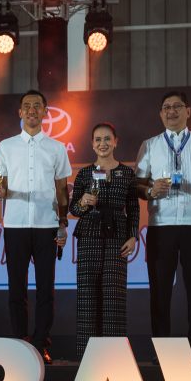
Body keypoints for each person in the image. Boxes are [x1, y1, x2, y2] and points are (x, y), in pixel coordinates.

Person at [0, 90, 72, 364]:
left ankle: (41, 343)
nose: (32, 110)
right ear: (20, 112)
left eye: (38, 105)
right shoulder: (6, 146)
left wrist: (63, 223)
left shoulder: (57, 148)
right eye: (27, 106)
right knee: (17, 288)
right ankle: (19, 343)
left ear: (46, 111)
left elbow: (62, 190)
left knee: (46, 289)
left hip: (47, 225)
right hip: (15, 225)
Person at [134, 91, 191, 339]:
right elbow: (137, 186)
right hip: (161, 226)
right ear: (160, 113)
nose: (171, 111)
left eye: (177, 106)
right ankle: (162, 349)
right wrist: (150, 191)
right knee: (160, 293)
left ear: (188, 111)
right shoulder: (149, 145)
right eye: (166, 107)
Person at [68, 123, 139, 360]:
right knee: (87, 297)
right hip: (89, 235)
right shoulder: (84, 173)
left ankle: (115, 360)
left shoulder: (127, 173)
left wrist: (133, 235)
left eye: (107, 139)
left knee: (113, 298)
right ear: (92, 144)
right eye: (98, 139)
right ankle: (86, 359)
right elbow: (74, 209)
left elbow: (133, 207)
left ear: (116, 142)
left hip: (117, 236)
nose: (103, 143)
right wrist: (83, 202)